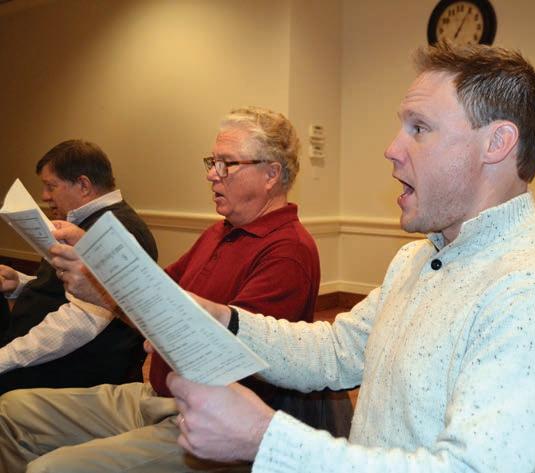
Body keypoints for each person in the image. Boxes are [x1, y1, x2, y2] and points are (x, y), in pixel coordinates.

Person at [165, 44, 535, 471]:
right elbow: (335, 350)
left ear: (497, 142)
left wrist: (262, 438)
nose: (392, 149)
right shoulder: (419, 258)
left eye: (419, 128)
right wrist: (223, 320)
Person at [0, 107, 352, 473]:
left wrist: (104, 290)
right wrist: (92, 253)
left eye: (226, 164)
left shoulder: (288, 251)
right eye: (212, 162)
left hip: (210, 419)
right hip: (158, 394)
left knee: (53, 468)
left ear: (271, 175)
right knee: (10, 412)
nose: (211, 175)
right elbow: (155, 290)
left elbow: (221, 358)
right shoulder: (219, 232)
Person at [0, 140, 158, 393]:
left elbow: (79, 323)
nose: (44, 196)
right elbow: (63, 290)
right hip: (41, 356)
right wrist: (19, 284)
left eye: (51, 186)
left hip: (68, 370)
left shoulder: (118, 231)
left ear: (83, 185)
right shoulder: (87, 222)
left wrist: (4, 358)